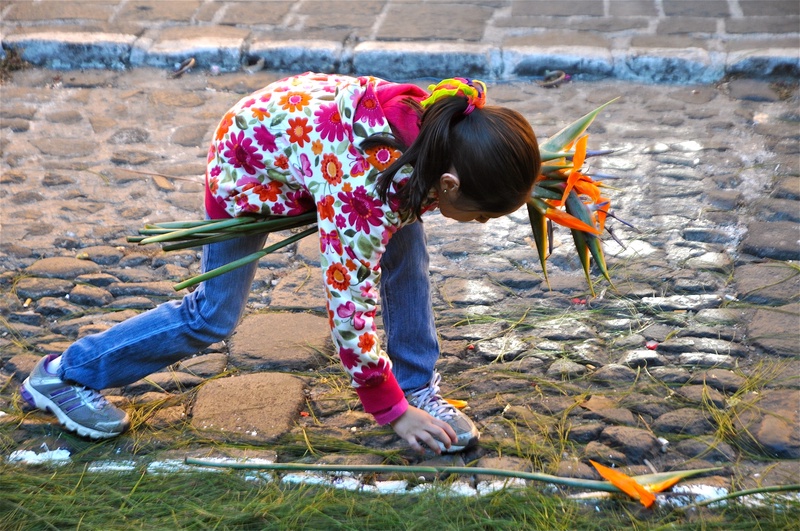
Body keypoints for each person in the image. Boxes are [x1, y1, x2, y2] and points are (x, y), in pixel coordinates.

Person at [21, 73, 541, 454]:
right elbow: (347, 308)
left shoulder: (440, 129)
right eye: (480, 216)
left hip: (310, 145)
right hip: (249, 165)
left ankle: (417, 385)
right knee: (212, 316)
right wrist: (388, 413)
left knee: (407, 252)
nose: (481, 224)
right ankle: (65, 374)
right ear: (447, 184)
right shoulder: (366, 190)